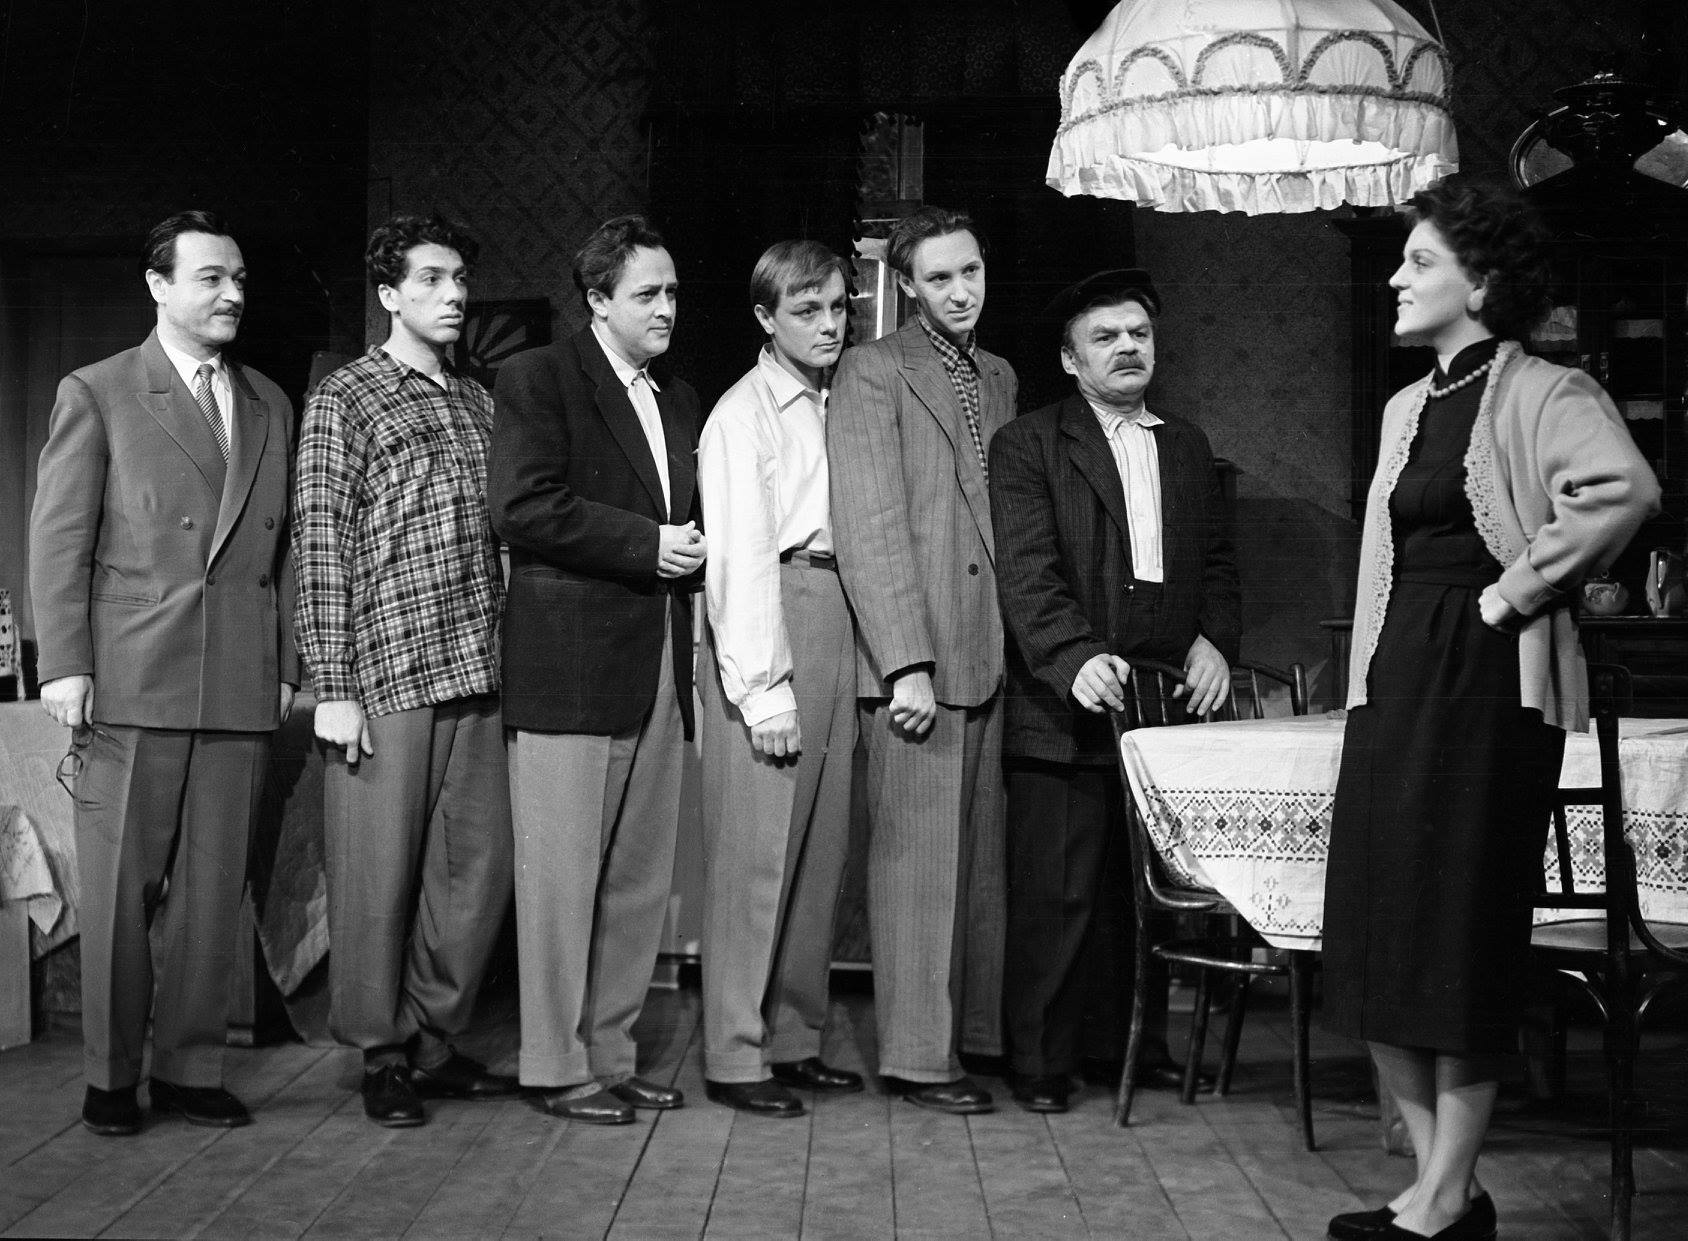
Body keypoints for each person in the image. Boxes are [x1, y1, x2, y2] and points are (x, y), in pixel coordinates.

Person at [1321, 177, 1659, 1241]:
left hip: (1486, 681)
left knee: (1459, 932)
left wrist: (1512, 592)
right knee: (1372, 929)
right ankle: (1444, 1188)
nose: (1396, 277)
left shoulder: (1547, 391)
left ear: (1481, 284)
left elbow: (1622, 489)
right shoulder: (1402, 407)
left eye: (1418, 261)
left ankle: (1440, 1194)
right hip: (1394, 681)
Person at [29, 210, 297, 1135]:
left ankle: (189, 1069)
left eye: (239, 279)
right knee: (119, 892)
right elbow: (59, 538)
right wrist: (65, 664)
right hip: (133, 677)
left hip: (239, 680)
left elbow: (285, 553)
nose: (231, 294)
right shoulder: (100, 390)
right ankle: (111, 1076)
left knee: (213, 894)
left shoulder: (268, 400)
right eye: (211, 277)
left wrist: (285, 663)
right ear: (158, 285)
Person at [988, 269, 1240, 1114]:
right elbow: (1026, 569)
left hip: (1161, 708)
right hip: (1062, 703)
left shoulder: (1188, 445)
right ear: (1070, 359)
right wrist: (1071, 654)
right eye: (1106, 337)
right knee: (1058, 893)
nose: (1128, 347)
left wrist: (1214, 639)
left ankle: (1130, 1046)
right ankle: (1041, 1059)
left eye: (1139, 334)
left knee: (1138, 894)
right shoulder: (1028, 444)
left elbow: (1217, 562)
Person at [292, 213, 518, 1128]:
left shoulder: (479, 402)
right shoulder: (345, 398)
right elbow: (319, 542)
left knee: (475, 875)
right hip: (385, 670)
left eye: (459, 279)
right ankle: (381, 1052)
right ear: (389, 294)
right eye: (431, 279)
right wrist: (333, 685)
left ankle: (433, 1037)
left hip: (477, 664)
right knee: (376, 877)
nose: (453, 294)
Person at [489, 214, 705, 1126]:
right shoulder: (539, 377)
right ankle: (553, 1063)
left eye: (672, 292)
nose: (665, 308)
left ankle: (611, 1054)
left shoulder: (677, 396)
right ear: (597, 300)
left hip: (658, 661)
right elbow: (522, 505)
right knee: (560, 882)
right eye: (646, 294)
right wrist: (646, 543)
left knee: (638, 879)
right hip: (570, 669)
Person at [827, 206, 1015, 1114]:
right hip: (919, 661)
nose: (960, 290)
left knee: (978, 873)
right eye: (939, 278)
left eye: (970, 271)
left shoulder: (1000, 373)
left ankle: (971, 1038)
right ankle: (915, 1058)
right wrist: (906, 662)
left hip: (990, 650)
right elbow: (869, 523)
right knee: (917, 871)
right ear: (906, 286)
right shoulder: (871, 370)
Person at [695, 241, 861, 1118]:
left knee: (819, 852)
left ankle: (794, 1036)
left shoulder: (843, 400)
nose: (829, 325)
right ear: (765, 318)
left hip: (838, 610)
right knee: (754, 854)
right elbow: (741, 558)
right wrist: (763, 689)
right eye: (808, 311)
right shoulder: (743, 413)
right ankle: (733, 1051)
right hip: (776, 610)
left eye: (838, 308)